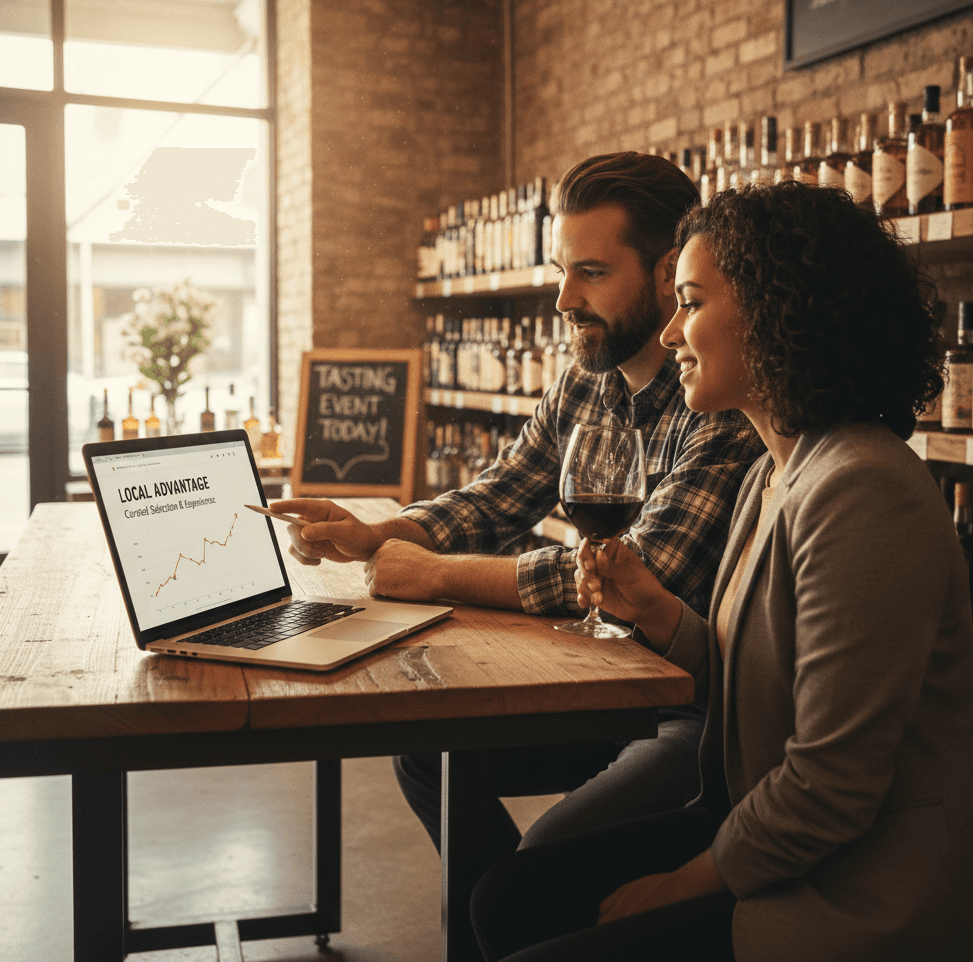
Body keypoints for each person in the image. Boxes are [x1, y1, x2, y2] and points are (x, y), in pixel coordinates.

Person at [469, 181, 973, 962]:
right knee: (506, 897)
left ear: (777, 312)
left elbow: (832, 782)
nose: (671, 332)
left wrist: (682, 883)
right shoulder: (772, 473)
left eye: (690, 303)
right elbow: (757, 683)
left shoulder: (864, 489)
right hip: (782, 835)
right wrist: (661, 616)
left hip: (867, 890)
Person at [270, 152, 763, 858]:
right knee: (429, 755)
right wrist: (377, 535)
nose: (564, 300)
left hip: (682, 704)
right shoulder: (585, 382)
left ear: (666, 274)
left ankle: (522, 905)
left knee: (535, 864)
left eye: (591, 273)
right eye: (562, 271)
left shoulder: (719, 399)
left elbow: (641, 571)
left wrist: (435, 575)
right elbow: (500, 495)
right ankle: (512, 914)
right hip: (597, 678)